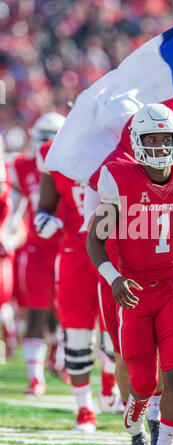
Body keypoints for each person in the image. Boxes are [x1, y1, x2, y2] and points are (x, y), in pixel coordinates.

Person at [86, 103, 173, 445]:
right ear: (137, 141)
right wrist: (114, 278)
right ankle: (135, 421)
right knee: (144, 383)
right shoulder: (119, 178)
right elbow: (95, 240)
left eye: (167, 139)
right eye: (153, 138)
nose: (161, 146)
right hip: (134, 290)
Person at [34, 140, 118, 432]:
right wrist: (44, 220)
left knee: (116, 333)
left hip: (116, 250)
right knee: (77, 333)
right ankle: (84, 410)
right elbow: (45, 206)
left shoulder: (121, 145)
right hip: (74, 254)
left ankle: (109, 386)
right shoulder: (54, 152)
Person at [9, 112, 66, 396]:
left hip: (69, 247)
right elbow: (15, 206)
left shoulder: (74, 165)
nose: (49, 145)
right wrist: (8, 232)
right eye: (44, 139)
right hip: (38, 250)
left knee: (69, 313)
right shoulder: (22, 166)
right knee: (36, 312)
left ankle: (64, 354)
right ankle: (35, 378)